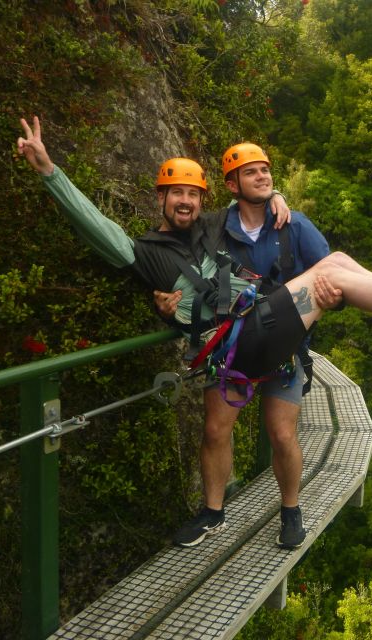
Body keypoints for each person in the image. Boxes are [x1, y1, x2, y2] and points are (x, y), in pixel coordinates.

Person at [17, 115, 372, 549]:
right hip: (239, 338)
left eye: (193, 195)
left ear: (203, 201)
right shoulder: (143, 253)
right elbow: (96, 226)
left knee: (334, 264)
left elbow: (251, 201)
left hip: (254, 330)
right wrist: (49, 171)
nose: (186, 202)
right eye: (176, 194)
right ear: (159, 198)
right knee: (217, 429)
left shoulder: (210, 228)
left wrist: (277, 197)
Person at [154, 142, 335, 549]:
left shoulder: (294, 225)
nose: (263, 177)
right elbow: (179, 244)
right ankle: (212, 513)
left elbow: (328, 273)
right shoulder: (216, 227)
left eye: (265, 171)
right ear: (232, 184)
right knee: (216, 430)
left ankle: (291, 510)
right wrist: (165, 304)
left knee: (282, 434)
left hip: (283, 347)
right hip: (234, 348)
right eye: (251, 172)